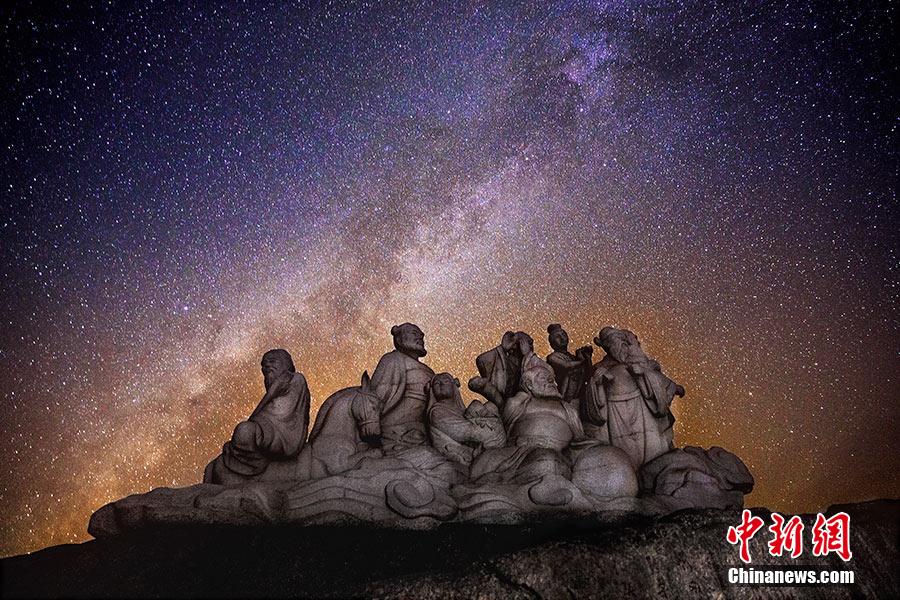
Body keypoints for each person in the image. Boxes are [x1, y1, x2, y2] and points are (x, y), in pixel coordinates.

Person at [204, 349, 310, 484]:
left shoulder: (294, 378)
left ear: (285, 364)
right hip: (265, 427)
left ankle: (252, 468)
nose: (266, 367)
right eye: (264, 365)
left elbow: (272, 394)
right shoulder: (277, 385)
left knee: (245, 430)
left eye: (272, 362)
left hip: (282, 432)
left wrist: (252, 418)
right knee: (244, 431)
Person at [369, 323, 435, 452]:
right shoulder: (392, 359)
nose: (420, 337)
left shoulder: (429, 371)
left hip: (424, 430)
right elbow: (375, 397)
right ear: (399, 339)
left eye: (421, 335)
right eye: (414, 333)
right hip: (397, 429)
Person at [545, 323, 593, 405]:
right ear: (552, 343)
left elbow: (588, 374)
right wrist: (582, 361)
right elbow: (567, 366)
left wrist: (587, 358)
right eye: (557, 337)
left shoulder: (573, 358)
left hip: (580, 394)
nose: (562, 338)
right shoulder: (552, 357)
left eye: (564, 334)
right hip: (566, 395)